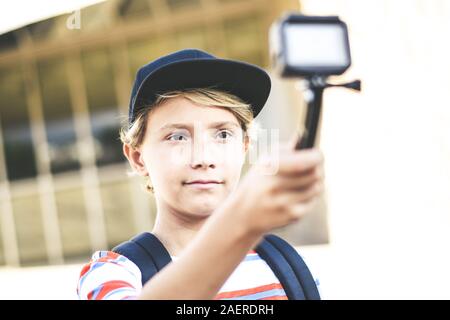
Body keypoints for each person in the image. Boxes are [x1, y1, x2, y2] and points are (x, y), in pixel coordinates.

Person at [77, 49, 324, 300]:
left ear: (244, 148)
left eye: (223, 135)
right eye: (177, 137)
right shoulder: (113, 274)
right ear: (138, 158)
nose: (203, 159)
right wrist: (242, 220)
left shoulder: (291, 266)